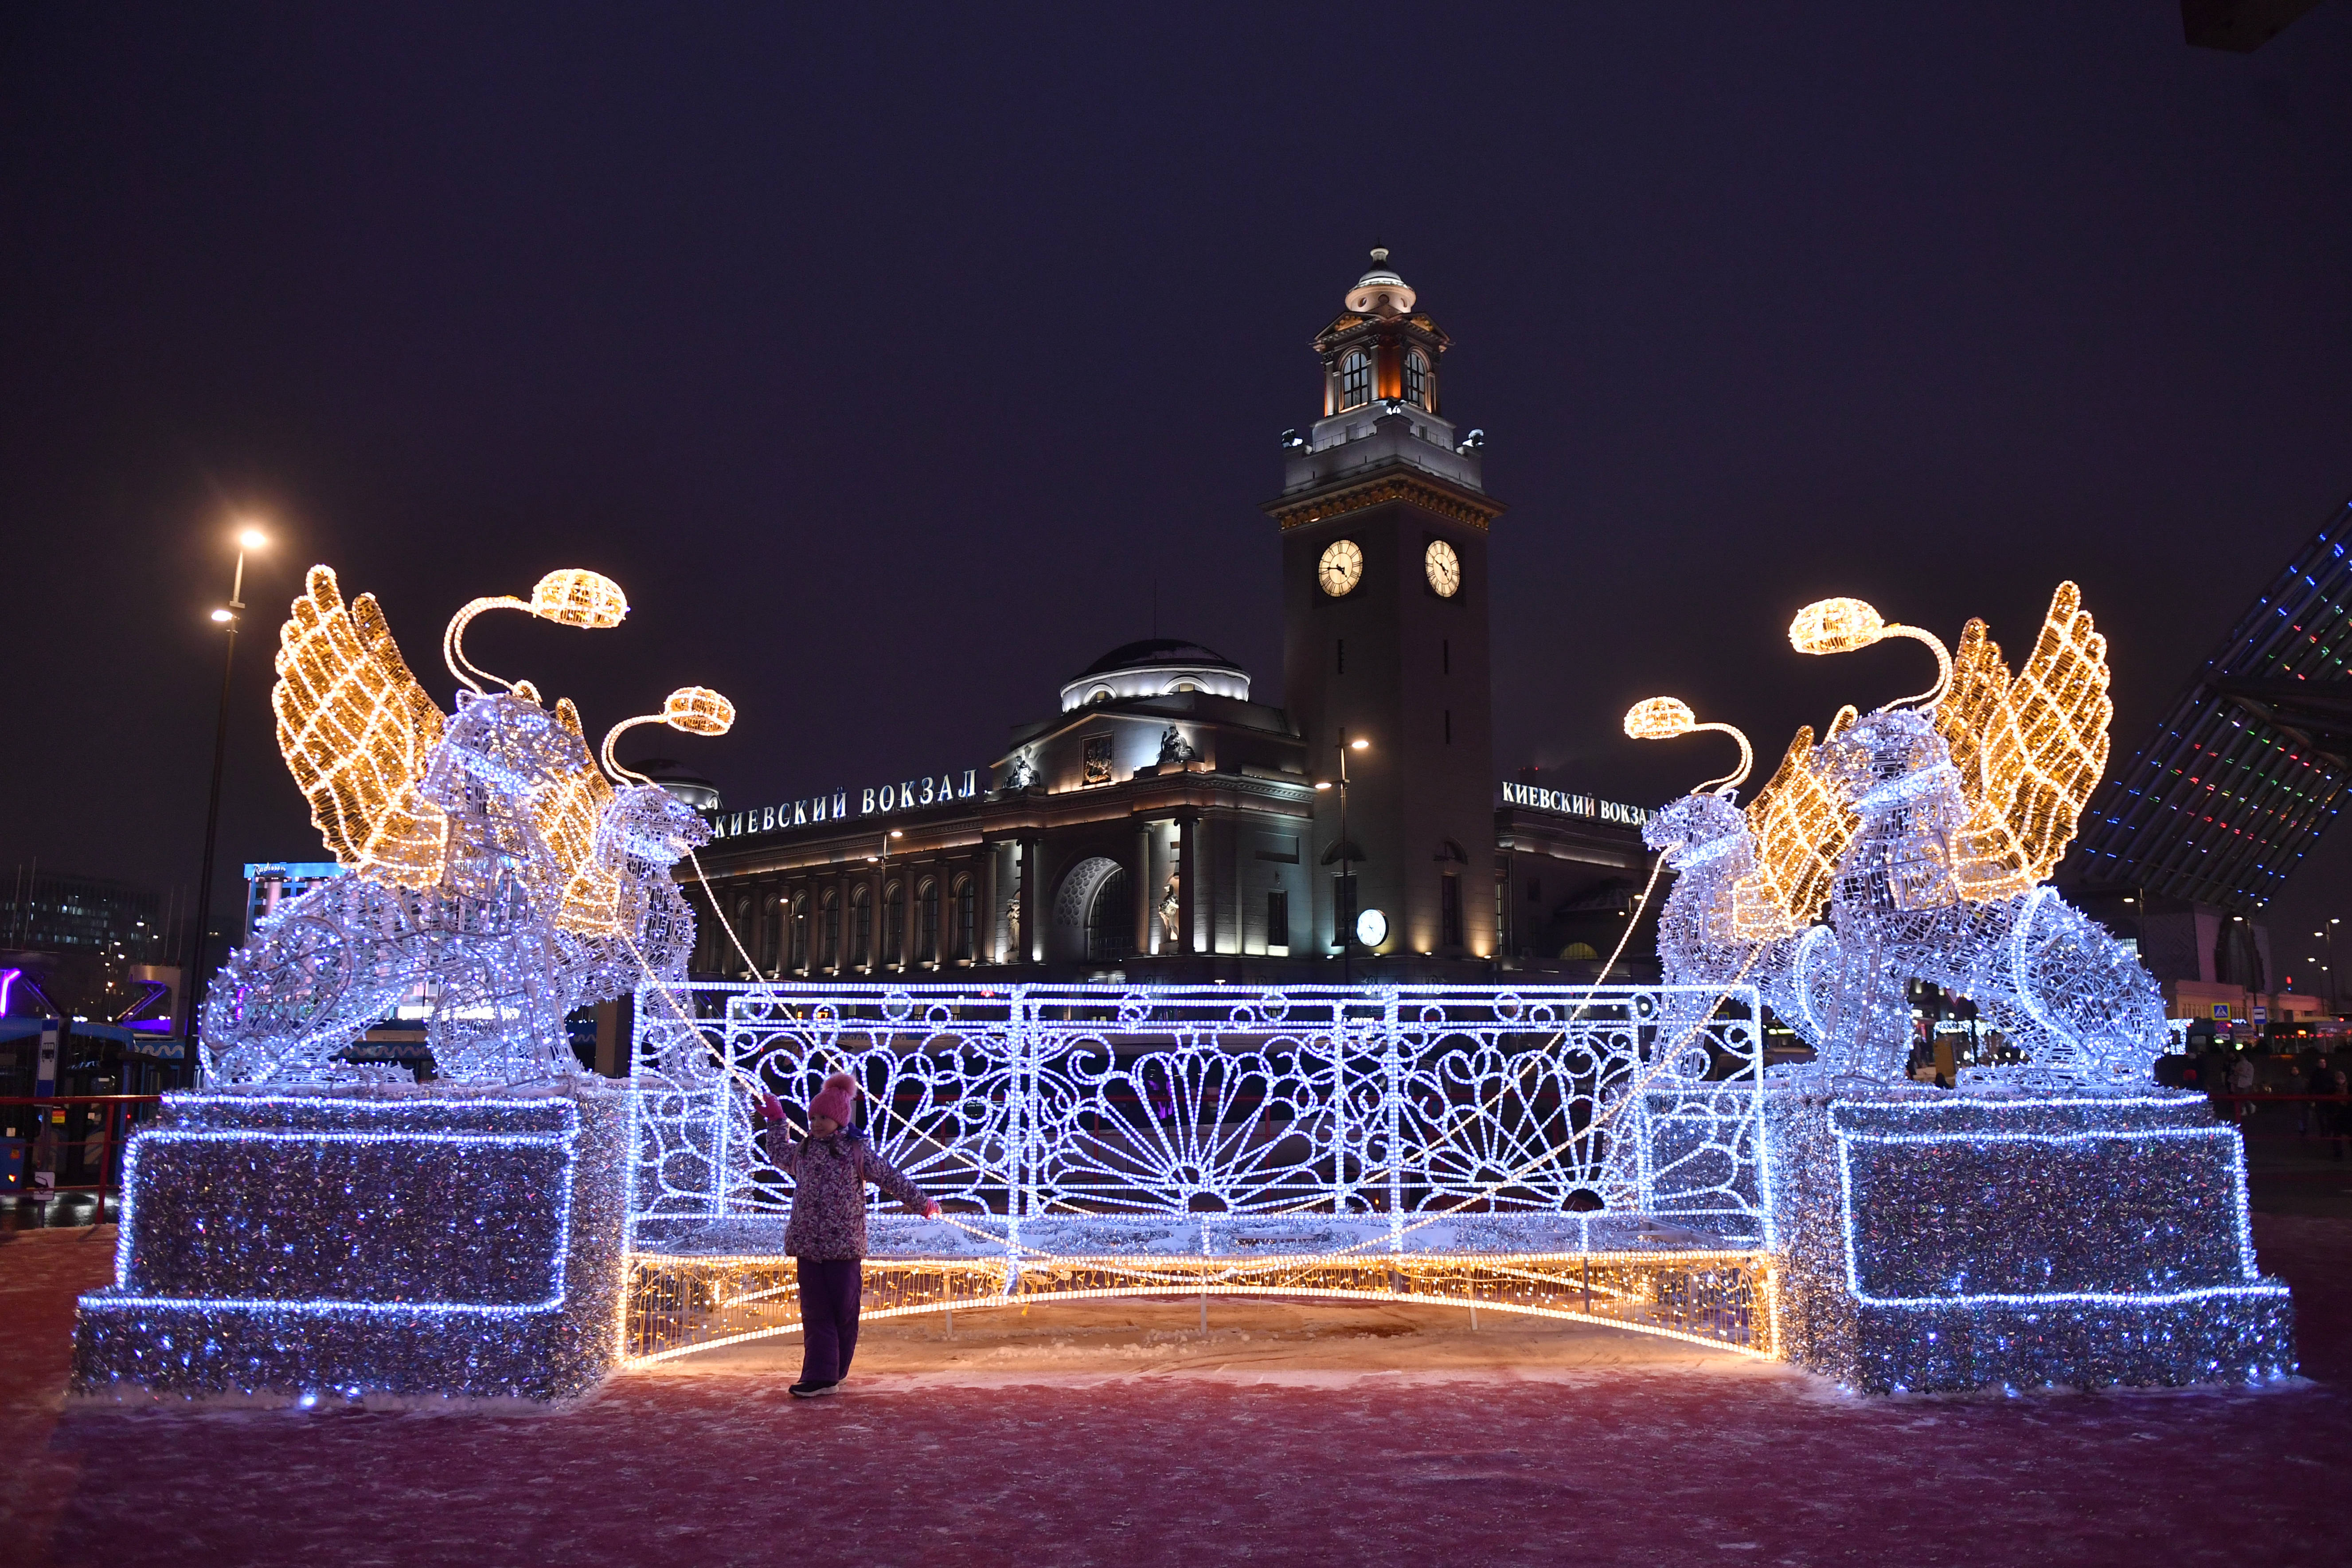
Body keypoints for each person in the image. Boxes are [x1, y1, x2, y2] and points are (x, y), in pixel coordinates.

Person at [755, 1072, 939, 1398]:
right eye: (812, 1117)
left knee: (844, 1312)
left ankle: (834, 1370)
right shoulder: (805, 1151)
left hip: (844, 1247)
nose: (816, 1123)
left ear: (839, 1119)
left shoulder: (856, 1152)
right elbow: (778, 1154)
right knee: (815, 1312)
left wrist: (922, 1203)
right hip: (808, 1245)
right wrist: (777, 1120)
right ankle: (819, 1375)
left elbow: (891, 1178)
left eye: (823, 1117)